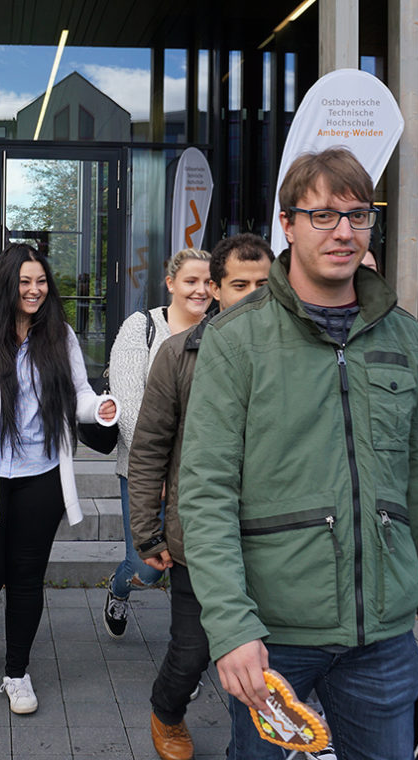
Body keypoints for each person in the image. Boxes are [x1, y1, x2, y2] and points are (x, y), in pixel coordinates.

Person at [178, 147, 418, 759]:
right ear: (287, 225)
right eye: (323, 216)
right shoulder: (237, 341)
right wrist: (230, 628)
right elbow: (205, 495)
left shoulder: (404, 336)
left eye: (358, 215)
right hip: (271, 637)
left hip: (383, 636)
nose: (344, 231)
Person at [0, 243, 118, 715]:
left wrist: (100, 408)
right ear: (5, 284)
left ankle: (17, 673)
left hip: (42, 476)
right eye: (24, 282)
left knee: (27, 577)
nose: (34, 290)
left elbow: (78, 394)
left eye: (41, 281)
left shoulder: (60, 335)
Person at [128, 234, 272, 760]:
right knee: (191, 652)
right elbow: (148, 451)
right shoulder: (177, 354)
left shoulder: (291, 354)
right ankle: (167, 711)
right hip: (199, 537)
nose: (254, 295)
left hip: (274, 536)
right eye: (240, 285)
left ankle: (255, 742)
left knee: (266, 655)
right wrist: (147, 531)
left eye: (263, 284)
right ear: (214, 289)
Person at [103, 247, 211, 638]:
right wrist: (160, 474)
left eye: (207, 283)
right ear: (171, 284)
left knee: (193, 568)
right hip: (143, 469)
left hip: (199, 474)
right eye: (191, 281)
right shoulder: (141, 328)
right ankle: (119, 588)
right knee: (148, 568)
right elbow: (130, 410)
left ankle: (187, 657)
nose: (200, 291)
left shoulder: (218, 332)